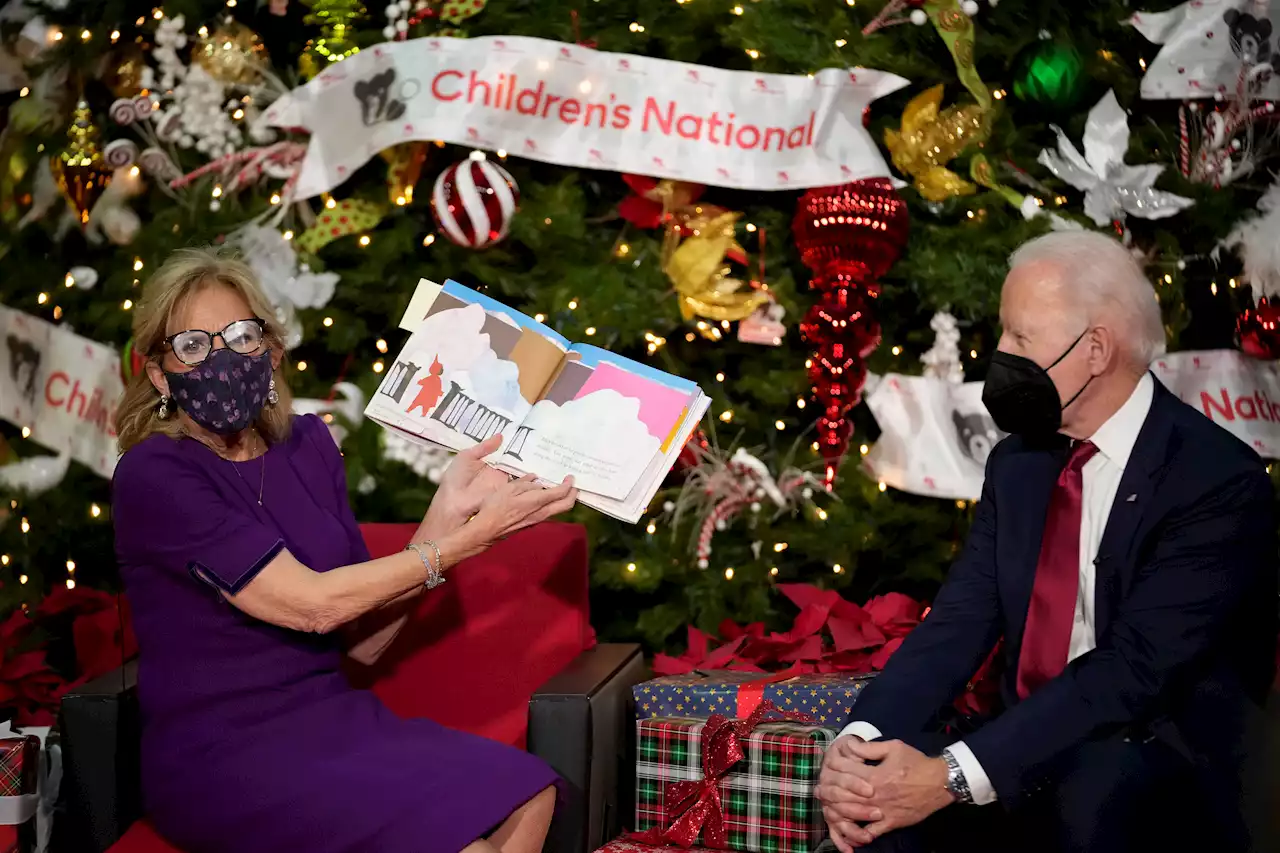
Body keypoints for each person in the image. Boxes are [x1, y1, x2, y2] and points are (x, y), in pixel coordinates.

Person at [817, 231, 1277, 853]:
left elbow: (1131, 672)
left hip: (1157, 755)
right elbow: (955, 624)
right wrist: (861, 743)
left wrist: (951, 774)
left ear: (1094, 349)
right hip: (1024, 745)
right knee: (875, 802)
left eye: (1019, 337)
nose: (999, 354)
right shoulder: (1020, 464)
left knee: (1089, 792)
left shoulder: (1216, 481)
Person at [111, 248, 579, 853]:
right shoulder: (156, 473)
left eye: (239, 336)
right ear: (158, 373)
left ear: (271, 350)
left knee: (528, 791)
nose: (221, 359)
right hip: (223, 757)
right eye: (194, 347)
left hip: (331, 723)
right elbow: (311, 607)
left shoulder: (308, 446)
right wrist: (466, 543)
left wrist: (448, 511)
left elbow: (363, 641)